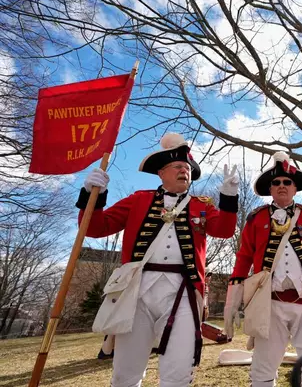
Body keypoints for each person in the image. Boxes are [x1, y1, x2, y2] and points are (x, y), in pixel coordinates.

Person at [78, 133, 239, 387]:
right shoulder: (138, 200)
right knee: (124, 374)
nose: (183, 171)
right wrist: (92, 195)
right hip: (136, 291)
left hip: (183, 292)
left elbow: (225, 230)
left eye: (187, 168)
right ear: (161, 173)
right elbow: (96, 227)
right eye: (177, 167)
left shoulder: (201, 205)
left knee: (178, 373)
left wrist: (229, 198)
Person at [223, 152, 302, 387]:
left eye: (287, 182)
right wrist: (232, 301)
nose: (282, 186)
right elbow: (243, 258)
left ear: (295, 188)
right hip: (270, 303)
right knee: (263, 364)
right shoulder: (255, 219)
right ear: (270, 189)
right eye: (276, 183)